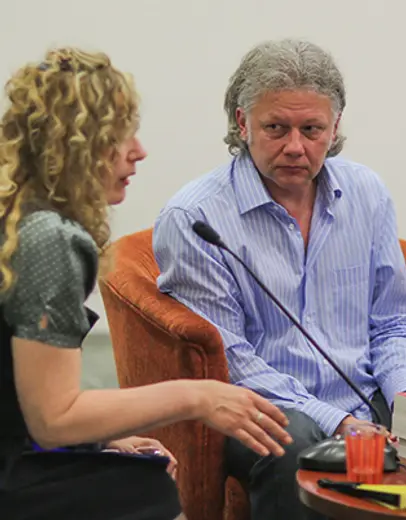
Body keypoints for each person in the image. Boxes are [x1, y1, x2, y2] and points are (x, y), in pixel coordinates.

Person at [0, 47, 292, 520]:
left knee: (135, 470)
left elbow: (22, 395)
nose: (139, 150)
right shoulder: (51, 239)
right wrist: (198, 396)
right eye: (121, 135)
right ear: (78, 143)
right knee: (147, 488)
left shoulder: (18, 219)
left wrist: (103, 438)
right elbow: (52, 419)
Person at [152, 38, 406, 520]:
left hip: (364, 396)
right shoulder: (195, 217)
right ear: (242, 123)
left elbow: (393, 324)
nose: (295, 147)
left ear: (335, 127)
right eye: (276, 128)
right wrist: (338, 422)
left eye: (312, 129)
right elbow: (232, 363)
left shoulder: (366, 194)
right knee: (294, 443)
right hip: (265, 409)